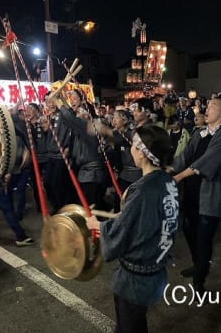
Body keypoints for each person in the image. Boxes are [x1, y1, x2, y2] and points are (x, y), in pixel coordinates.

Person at [87, 125, 179, 333]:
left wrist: (98, 225)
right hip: (156, 268)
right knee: (135, 322)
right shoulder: (167, 181)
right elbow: (145, 221)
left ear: (142, 153)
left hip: (136, 279)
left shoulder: (142, 190)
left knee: (130, 325)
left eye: (133, 146)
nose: (131, 150)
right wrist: (123, 214)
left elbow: (121, 234)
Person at [173, 97, 221, 293]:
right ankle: (198, 264)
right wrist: (167, 166)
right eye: (207, 105)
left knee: (203, 238)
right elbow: (185, 156)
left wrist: (179, 176)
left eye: (213, 106)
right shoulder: (199, 133)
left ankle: (200, 279)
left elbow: (208, 161)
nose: (206, 108)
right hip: (192, 193)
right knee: (188, 228)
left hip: (209, 196)